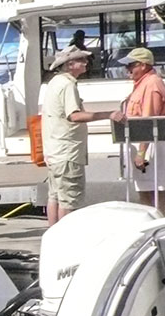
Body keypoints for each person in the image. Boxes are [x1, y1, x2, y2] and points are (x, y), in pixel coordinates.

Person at [42, 45, 125, 226]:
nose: (86, 62)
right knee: (69, 200)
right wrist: (108, 114)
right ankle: (65, 239)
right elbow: (74, 115)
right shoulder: (68, 84)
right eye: (82, 60)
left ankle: (53, 235)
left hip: (55, 150)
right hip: (68, 152)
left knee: (55, 196)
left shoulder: (54, 82)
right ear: (70, 64)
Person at [120, 47, 165, 206]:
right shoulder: (141, 83)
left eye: (131, 65)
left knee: (157, 192)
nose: (127, 69)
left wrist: (141, 153)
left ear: (143, 65)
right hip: (144, 144)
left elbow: (148, 121)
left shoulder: (152, 84)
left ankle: (159, 228)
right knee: (144, 190)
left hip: (152, 146)